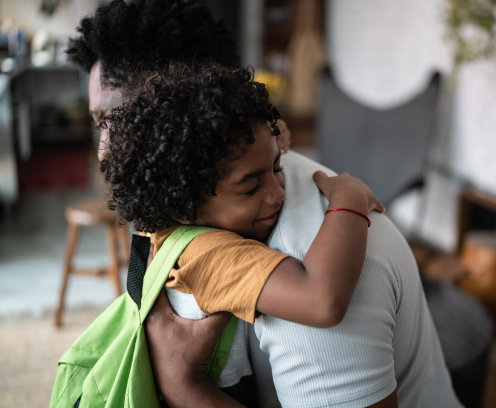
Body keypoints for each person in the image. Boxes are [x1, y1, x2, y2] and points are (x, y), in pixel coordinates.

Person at [69, 1, 460, 406]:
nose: (103, 151)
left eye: (110, 122)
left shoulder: (301, 246)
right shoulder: (194, 215)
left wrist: (183, 384)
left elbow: (322, 299)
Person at [100, 63, 383, 399]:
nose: (278, 193)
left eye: (277, 168)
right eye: (250, 188)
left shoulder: (173, 222)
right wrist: (349, 198)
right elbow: (322, 301)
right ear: (185, 206)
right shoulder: (208, 255)